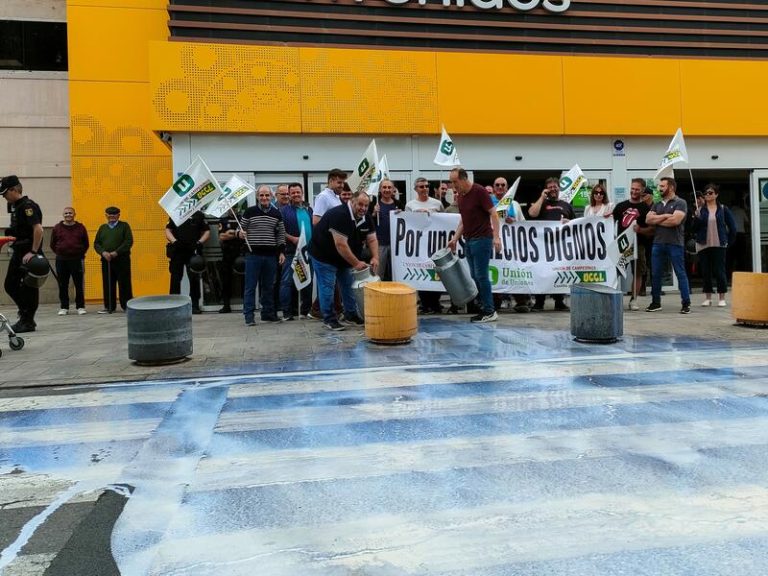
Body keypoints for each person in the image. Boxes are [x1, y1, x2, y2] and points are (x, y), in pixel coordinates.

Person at [310, 191, 379, 331]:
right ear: (352, 202)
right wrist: (356, 263)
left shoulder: (366, 217)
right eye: (360, 204)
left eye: (366, 205)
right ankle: (329, 318)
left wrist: (375, 257)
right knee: (327, 287)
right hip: (324, 255)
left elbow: (372, 238)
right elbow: (340, 244)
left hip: (344, 257)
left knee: (348, 285)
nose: (363, 208)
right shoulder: (339, 215)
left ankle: (351, 314)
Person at [446, 167, 501, 323]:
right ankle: (485, 308)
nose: (453, 185)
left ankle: (490, 310)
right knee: (475, 275)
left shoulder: (479, 191)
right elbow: (463, 220)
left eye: (455, 182)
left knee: (481, 275)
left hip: (482, 239)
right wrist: (455, 238)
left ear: (464, 179)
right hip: (469, 241)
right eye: (451, 182)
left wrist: (496, 237)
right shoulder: (461, 197)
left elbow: (494, 213)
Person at [1, 175, 43, 333]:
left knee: (28, 287)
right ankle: (26, 316)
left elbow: (37, 229)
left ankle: (27, 320)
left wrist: (33, 251)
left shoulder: (27, 206)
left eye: (5, 193)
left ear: (13, 189)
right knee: (11, 285)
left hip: (27, 252)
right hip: (19, 250)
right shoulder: (16, 206)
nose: (4, 197)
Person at [527, 176, 575, 311]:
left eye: (555, 186)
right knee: (541, 272)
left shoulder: (566, 205)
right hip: (543, 246)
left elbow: (575, 224)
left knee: (559, 272)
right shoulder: (541, 203)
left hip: (560, 246)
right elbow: (532, 214)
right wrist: (542, 197)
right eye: (550, 187)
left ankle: (559, 301)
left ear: (559, 188)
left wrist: (568, 222)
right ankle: (539, 302)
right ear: (546, 189)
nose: (553, 189)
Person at [240, 185, 285, 325]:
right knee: (250, 287)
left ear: (271, 196)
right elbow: (240, 229)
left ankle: (268, 314)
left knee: (268, 286)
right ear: (257, 197)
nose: (264, 198)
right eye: (261, 195)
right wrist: (239, 234)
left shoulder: (277, 214)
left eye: (267, 195)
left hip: (271, 256)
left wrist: (281, 252)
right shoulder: (249, 212)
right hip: (253, 255)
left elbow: (281, 234)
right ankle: (249, 316)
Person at [645, 177, 691, 314]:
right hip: (658, 243)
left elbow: (675, 221)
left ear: (670, 187)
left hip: (675, 243)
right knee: (656, 274)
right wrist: (666, 215)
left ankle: (686, 303)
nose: (659, 188)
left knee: (680, 273)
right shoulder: (657, 204)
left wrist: (657, 220)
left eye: (662, 186)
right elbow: (648, 219)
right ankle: (655, 302)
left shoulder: (680, 202)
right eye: (659, 186)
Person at [692, 183, 737, 307]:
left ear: (716, 194)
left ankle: (722, 297)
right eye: (706, 193)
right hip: (703, 244)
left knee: (719, 271)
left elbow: (733, 227)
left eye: (710, 193)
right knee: (706, 271)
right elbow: (694, 229)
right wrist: (696, 218)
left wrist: (728, 242)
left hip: (719, 243)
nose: (707, 195)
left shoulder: (723, 209)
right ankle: (708, 297)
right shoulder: (700, 210)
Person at [612, 178, 654, 310]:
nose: (634, 191)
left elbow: (652, 230)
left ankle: (633, 300)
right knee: (615, 271)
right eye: (632, 188)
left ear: (642, 190)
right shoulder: (620, 206)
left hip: (638, 245)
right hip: (621, 245)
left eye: (637, 189)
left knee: (638, 272)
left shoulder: (646, 209)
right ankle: (612, 298)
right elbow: (608, 222)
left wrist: (640, 230)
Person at [406, 177, 444, 313]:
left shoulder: (438, 203)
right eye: (421, 187)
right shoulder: (410, 205)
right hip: (419, 245)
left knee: (435, 272)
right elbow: (407, 223)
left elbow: (444, 221)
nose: (425, 189)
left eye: (427, 186)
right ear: (416, 189)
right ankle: (424, 303)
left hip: (435, 244)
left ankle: (435, 303)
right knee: (421, 271)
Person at [491, 176, 529, 312]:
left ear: (507, 188)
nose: (500, 187)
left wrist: (514, 221)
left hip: (513, 246)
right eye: (497, 185)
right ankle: (495, 302)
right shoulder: (489, 202)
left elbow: (523, 224)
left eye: (503, 185)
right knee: (495, 271)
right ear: (494, 187)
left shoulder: (515, 204)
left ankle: (520, 301)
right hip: (495, 244)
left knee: (514, 271)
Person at [165, 210, 210, 314]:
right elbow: (168, 230)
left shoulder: (199, 215)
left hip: (193, 251)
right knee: (175, 278)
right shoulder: (176, 213)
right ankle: (173, 305)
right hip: (178, 251)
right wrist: (174, 241)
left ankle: (194, 305)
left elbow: (207, 231)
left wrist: (200, 242)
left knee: (194, 279)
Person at [279, 182, 313, 320]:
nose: (296, 194)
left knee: (308, 282)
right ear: (289, 194)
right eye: (292, 193)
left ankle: (305, 311)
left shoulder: (309, 209)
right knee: (287, 282)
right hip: (292, 251)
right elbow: (280, 231)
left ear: (302, 192)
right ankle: (287, 313)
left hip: (308, 252)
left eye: (298, 192)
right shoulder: (284, 211)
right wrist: (292, 238)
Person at [93, 206, 133, 313]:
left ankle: (127, 306)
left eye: (114, 214)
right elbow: (96, 243)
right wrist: (103, 252)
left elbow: (128, 241)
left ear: (118, 215)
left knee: (124, 283)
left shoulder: (124, 226)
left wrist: (116, 252)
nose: (112, 216)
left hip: (122, 260)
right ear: (106, 216)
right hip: (107, 260)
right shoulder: (102, 228)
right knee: (108, 283)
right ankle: (109, 306)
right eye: (109, 215)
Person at [50, 207, 89, 316]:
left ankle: (80, 306)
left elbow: (86, 244)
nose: (68, 215)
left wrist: (79, 253)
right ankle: (64, 307)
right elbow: (52, 244)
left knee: (78, 284)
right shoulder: (57, 228)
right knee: (63, 284)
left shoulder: (81, 227)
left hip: (76, 260)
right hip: (61, 260)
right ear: (63, 215)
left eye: (70, 213)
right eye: (66, 213)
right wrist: (61, 252)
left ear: (74, 214)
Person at [217, 205, 246, 313]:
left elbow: (246, 235)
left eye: (234, 207)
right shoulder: (223, 220)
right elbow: (221, 236)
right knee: (226, 280)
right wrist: (237, 234)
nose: (232, 210)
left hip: (241, 252)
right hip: (227, 253)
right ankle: (226, 305)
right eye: (230, 208)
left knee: (244, 279)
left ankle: (245, 304)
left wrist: (231, 233)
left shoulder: (242, 219)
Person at [371, 178, 400, 281]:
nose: (387, 190)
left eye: (389, 187)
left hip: (396, 245)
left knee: (396, 274)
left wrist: (401, 214)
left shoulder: (399, 204)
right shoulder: (374, 204)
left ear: (393, 190)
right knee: (378, 274)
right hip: (379, 244)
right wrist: (374, 213)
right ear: (379, 189)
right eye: (384, 187)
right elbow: (368, 223)